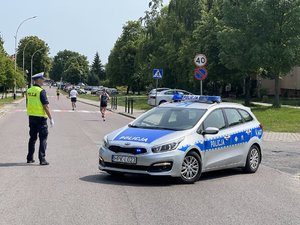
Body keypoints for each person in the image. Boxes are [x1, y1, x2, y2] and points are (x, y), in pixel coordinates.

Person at [26, 73, 54, 166]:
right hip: (41, 119)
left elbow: (28, 103)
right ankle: (42, 159)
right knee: (43, 138)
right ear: (37, 80)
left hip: (31, 117)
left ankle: (29, 158)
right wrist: (51, 118)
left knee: (32, 138)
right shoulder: (41, 91)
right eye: (42, 79)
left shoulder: (29, 90)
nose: (43, 80)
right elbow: (46, 106)